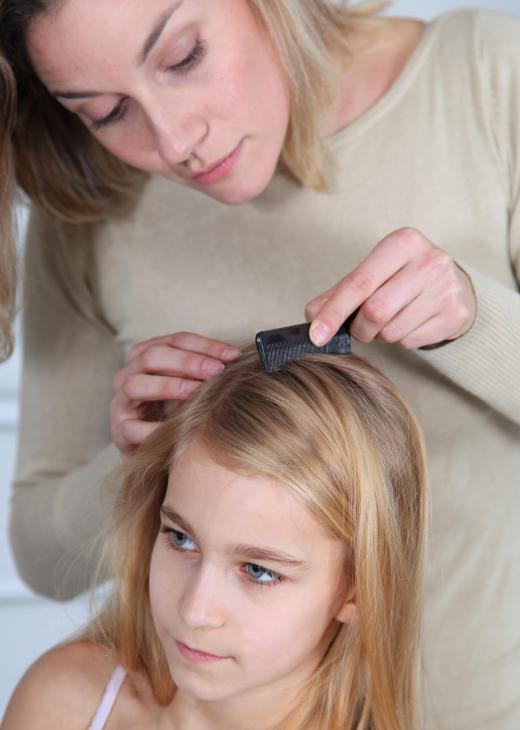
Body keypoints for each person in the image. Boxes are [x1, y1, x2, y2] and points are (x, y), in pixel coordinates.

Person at [0, 1, 519, 727]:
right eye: (108, 110)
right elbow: (42, 559)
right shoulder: (91, 202)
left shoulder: (492, 79)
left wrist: (477, 322)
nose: (176, 141)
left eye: (183, 58)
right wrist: (147, 465)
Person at [1, 349, 428, 730]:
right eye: (181, 539)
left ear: (356, 588)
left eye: (259, 571)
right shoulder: (66, 702)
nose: (195, 610)